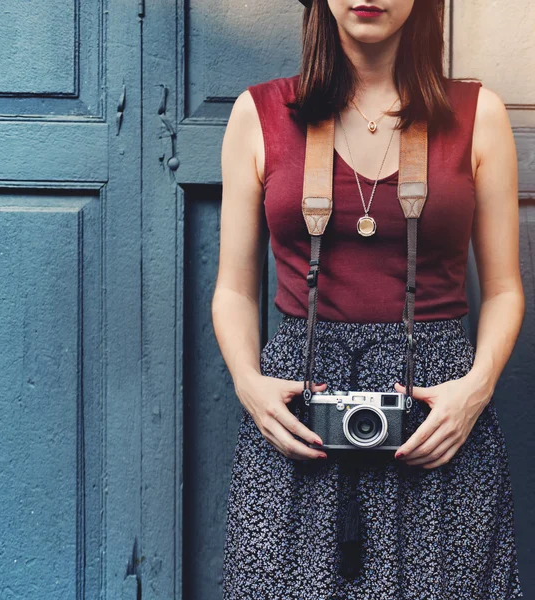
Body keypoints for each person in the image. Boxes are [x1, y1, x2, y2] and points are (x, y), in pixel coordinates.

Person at [211, 0, 525, 598]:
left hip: (437, 418)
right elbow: (231, 288)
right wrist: (250, 386)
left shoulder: (477, 114)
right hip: (299, 414)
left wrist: (475, 390)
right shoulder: (259, 113)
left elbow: (506, 289)